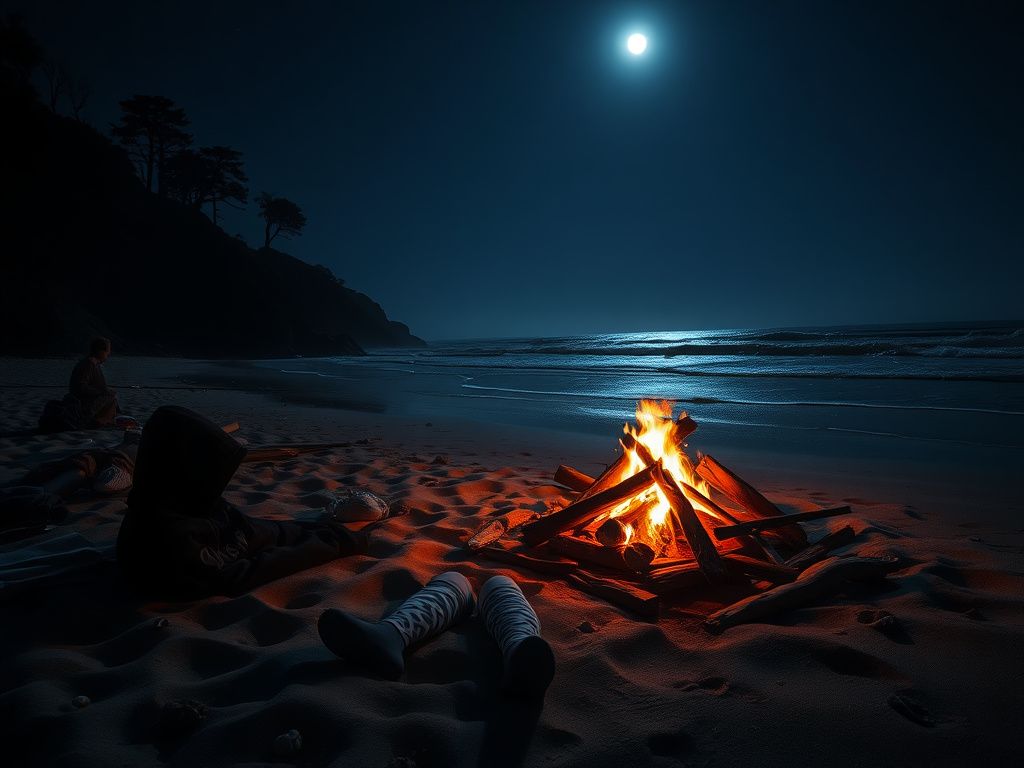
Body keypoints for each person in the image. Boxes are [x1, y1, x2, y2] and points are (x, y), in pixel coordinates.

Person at [116, 405, 367, 598]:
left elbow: (262, 531)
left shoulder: (198, 503)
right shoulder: (166, 543)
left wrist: (319, 530)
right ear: (185, 469)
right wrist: (336, 543)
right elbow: (259, 569)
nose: (219, 481)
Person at [68, 337, 118, 427]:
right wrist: (101, 391)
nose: (108, 354)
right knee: (110, 395)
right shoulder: (89, 363)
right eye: (107, 351)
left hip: (85, 400)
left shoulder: (93, 363)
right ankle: (98, 420)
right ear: (100, 351)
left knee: (111, 395)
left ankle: (105, 420)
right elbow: (80, 387)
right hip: (81, 403)